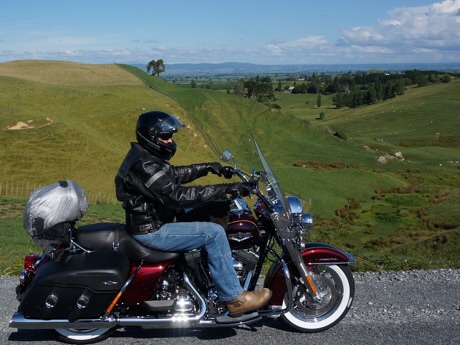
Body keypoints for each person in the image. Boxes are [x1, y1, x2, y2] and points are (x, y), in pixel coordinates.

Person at [115, 110, 272, 316]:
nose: (170, 141)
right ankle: (235, 298)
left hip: (154, 222)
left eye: (171, 136)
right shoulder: (144, 165)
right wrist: (226, 190)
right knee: (213, 233)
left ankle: (205, 278)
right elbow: (176, 195)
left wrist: (209, 168)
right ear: (151, 136)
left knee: (210, 212)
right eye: (166, 136)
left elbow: (174, 174)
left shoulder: (146, 157)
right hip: (152, 231)